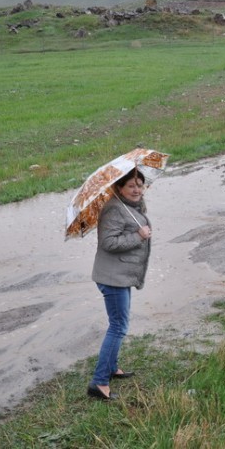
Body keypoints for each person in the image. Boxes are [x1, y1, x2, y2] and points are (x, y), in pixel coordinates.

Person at [87, 168, 152, 400]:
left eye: (140, 185)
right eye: (131, 186)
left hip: (121, 275)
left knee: (119, 324)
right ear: (119, 188)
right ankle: (99, 383)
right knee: (118, 327)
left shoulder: (130, 206)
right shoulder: (114, 209)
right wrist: (139, 236)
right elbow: (108, 243)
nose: (136, 190)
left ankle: (112, 368)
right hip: (112, 278)